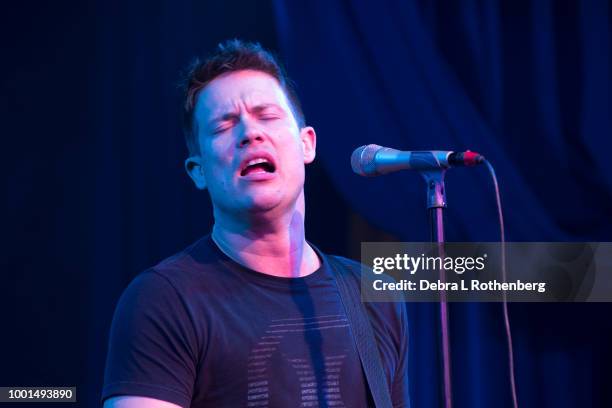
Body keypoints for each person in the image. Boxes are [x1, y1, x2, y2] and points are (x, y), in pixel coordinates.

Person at [102, 40, 410, 408]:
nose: (250, 133)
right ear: (198, 170)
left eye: (267, 115)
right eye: (223, 126)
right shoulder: (164, 300)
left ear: (306, 144)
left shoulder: (374, 295)